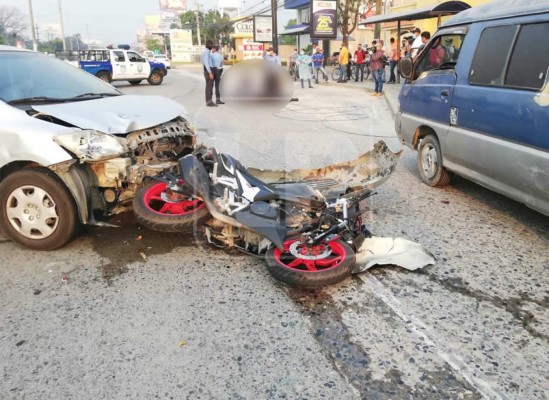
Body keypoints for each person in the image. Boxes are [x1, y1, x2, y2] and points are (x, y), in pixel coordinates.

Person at [202, 40, 216, 107]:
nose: (212, 47)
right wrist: (210, 72)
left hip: (208, 70)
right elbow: (206, 63)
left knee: (209, 86)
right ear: (209, 45)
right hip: (208, 70)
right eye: (211, 45)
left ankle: (209, 101)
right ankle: (209, 102)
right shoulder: (206, 51)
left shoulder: (206, 51)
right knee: (209, 87)